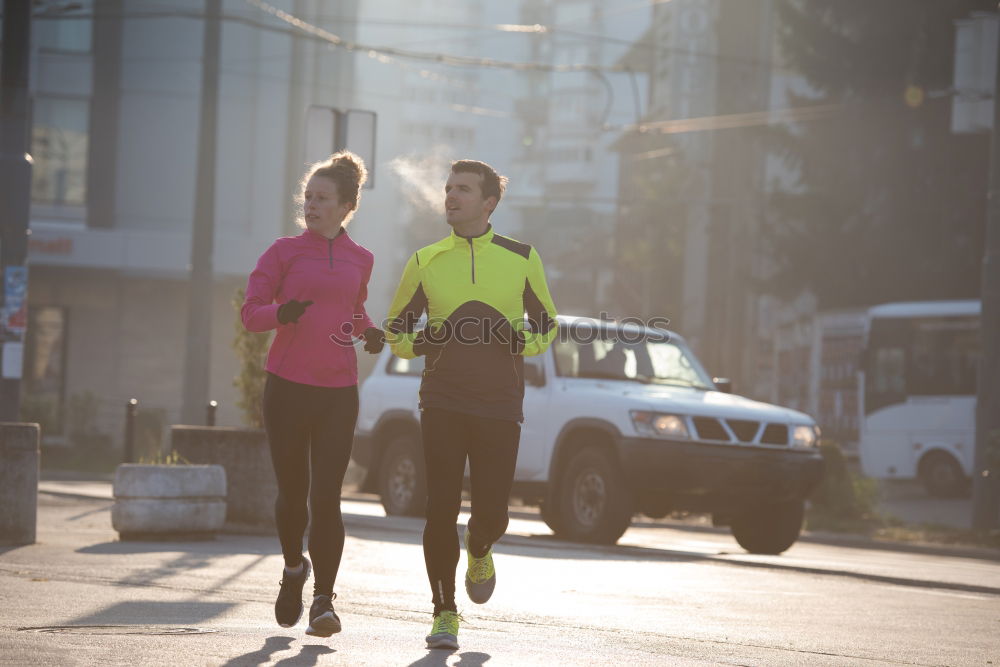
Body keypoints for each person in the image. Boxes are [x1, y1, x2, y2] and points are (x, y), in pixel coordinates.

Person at [384, 159, 558, 650]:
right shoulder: (426, 260)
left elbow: (547, 328)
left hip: (501, 402)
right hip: (441, 400)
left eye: (462, 189)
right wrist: (427, 339)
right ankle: (444, 612)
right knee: (439, 508)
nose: (451, 196)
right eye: (447, 188)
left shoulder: (521, 257)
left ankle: (480, 546)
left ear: (489, 202)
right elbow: (395, 333)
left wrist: (512, 336)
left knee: (494, 513)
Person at [241, 151, 383, 638]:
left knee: (327, 498)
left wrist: (370, 331)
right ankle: (292, 569)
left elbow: (354, 311)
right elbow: (251, 313)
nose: (312, 204)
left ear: (347, 206)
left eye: (323, 198)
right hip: (287, 387)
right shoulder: (282, 252)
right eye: (308, 196)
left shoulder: (361, 259)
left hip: (338, 392)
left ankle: (324, 600)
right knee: (293, 495)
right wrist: (282, 313)